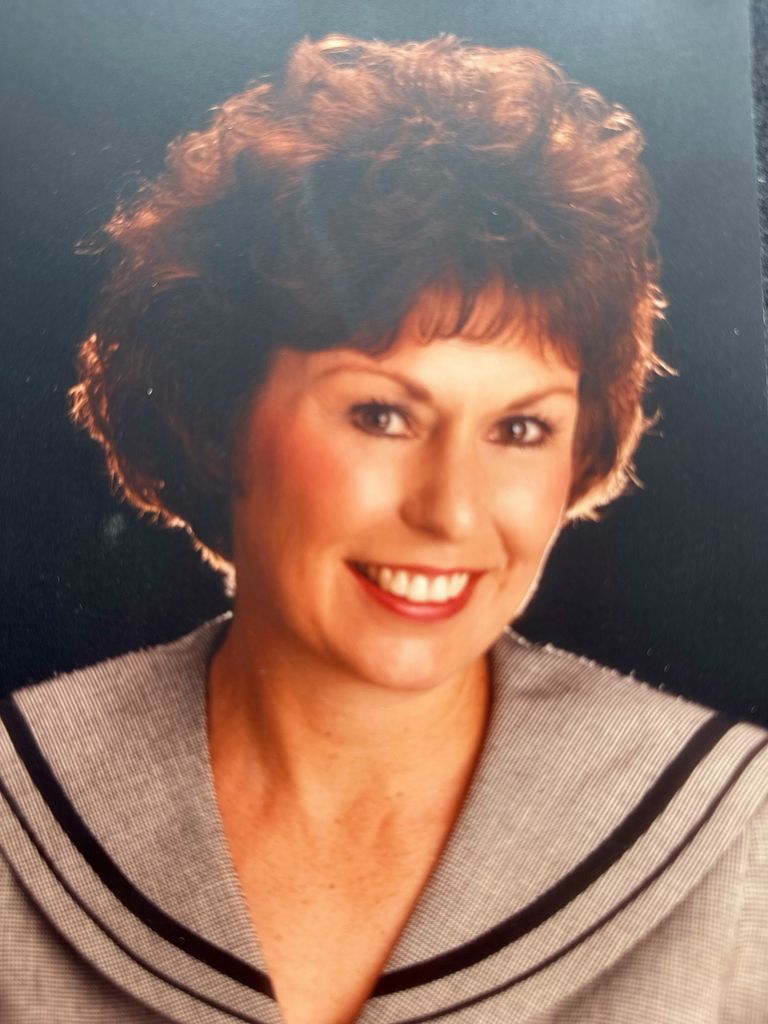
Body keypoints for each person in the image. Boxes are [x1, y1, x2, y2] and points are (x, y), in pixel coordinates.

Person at [1, 33, 766, 1024]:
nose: (449, 510)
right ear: (220, 415)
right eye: (381, 414)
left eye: (520, 429)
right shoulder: (20, 800)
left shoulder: (740, 841)